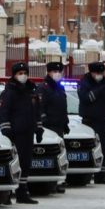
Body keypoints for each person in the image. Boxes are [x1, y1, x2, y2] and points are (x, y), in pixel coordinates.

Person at [0, 62, 42, 203]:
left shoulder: (31, 91)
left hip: (28, 132)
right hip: (15, 133)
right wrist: (7, 131)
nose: (23, 76)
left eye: (25, 73)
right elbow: (3, 113)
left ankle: (22, 192)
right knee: (13, 163)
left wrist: (38, 128)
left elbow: (36, 112)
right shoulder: (9, 92)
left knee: (25, 163)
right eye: (20, 73)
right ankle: (7, 193)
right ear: (15, 75)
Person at [78, 61, 105, 183]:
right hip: (89, 122)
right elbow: (86, 98)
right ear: (91, 72)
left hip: (103, 121)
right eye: (97, 73)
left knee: (104, 148)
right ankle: (86, 175)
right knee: (91, 149)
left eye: (101, 73)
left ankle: (101, 175)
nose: (100, 75)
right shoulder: (85, 83)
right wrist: (99, 90)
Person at [38, 61, 70, 193]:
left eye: (59, 72)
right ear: (49, 72)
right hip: (49, 127)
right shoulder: (43, 87)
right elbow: (40, 107)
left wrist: (65, 122)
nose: (57, 74)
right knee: (50, 155)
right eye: (54, 71)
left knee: (60, 155)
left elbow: (63, 107)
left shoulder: (60, 87)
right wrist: (45, 120)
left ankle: (59, 181)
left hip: (59, 126)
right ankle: (48, 182)